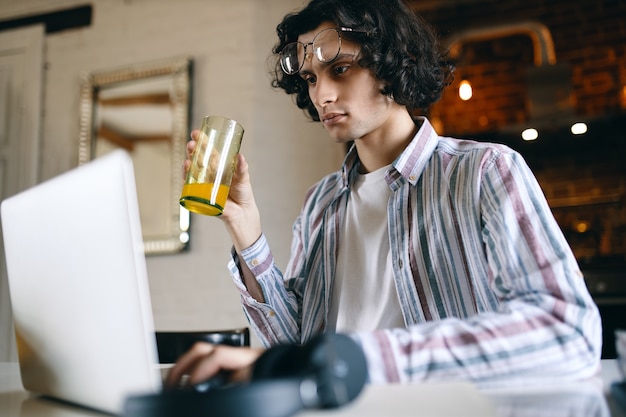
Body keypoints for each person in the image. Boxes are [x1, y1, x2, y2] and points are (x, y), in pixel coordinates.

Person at [166, 0, 602, 389]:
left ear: (395, 62)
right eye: (311, 78)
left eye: (340, 69)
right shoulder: (321, 202)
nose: (322, 95)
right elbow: (297, 347)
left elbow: (568, 332)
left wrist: (357, 360)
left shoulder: (484, 171)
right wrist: (246, 231)